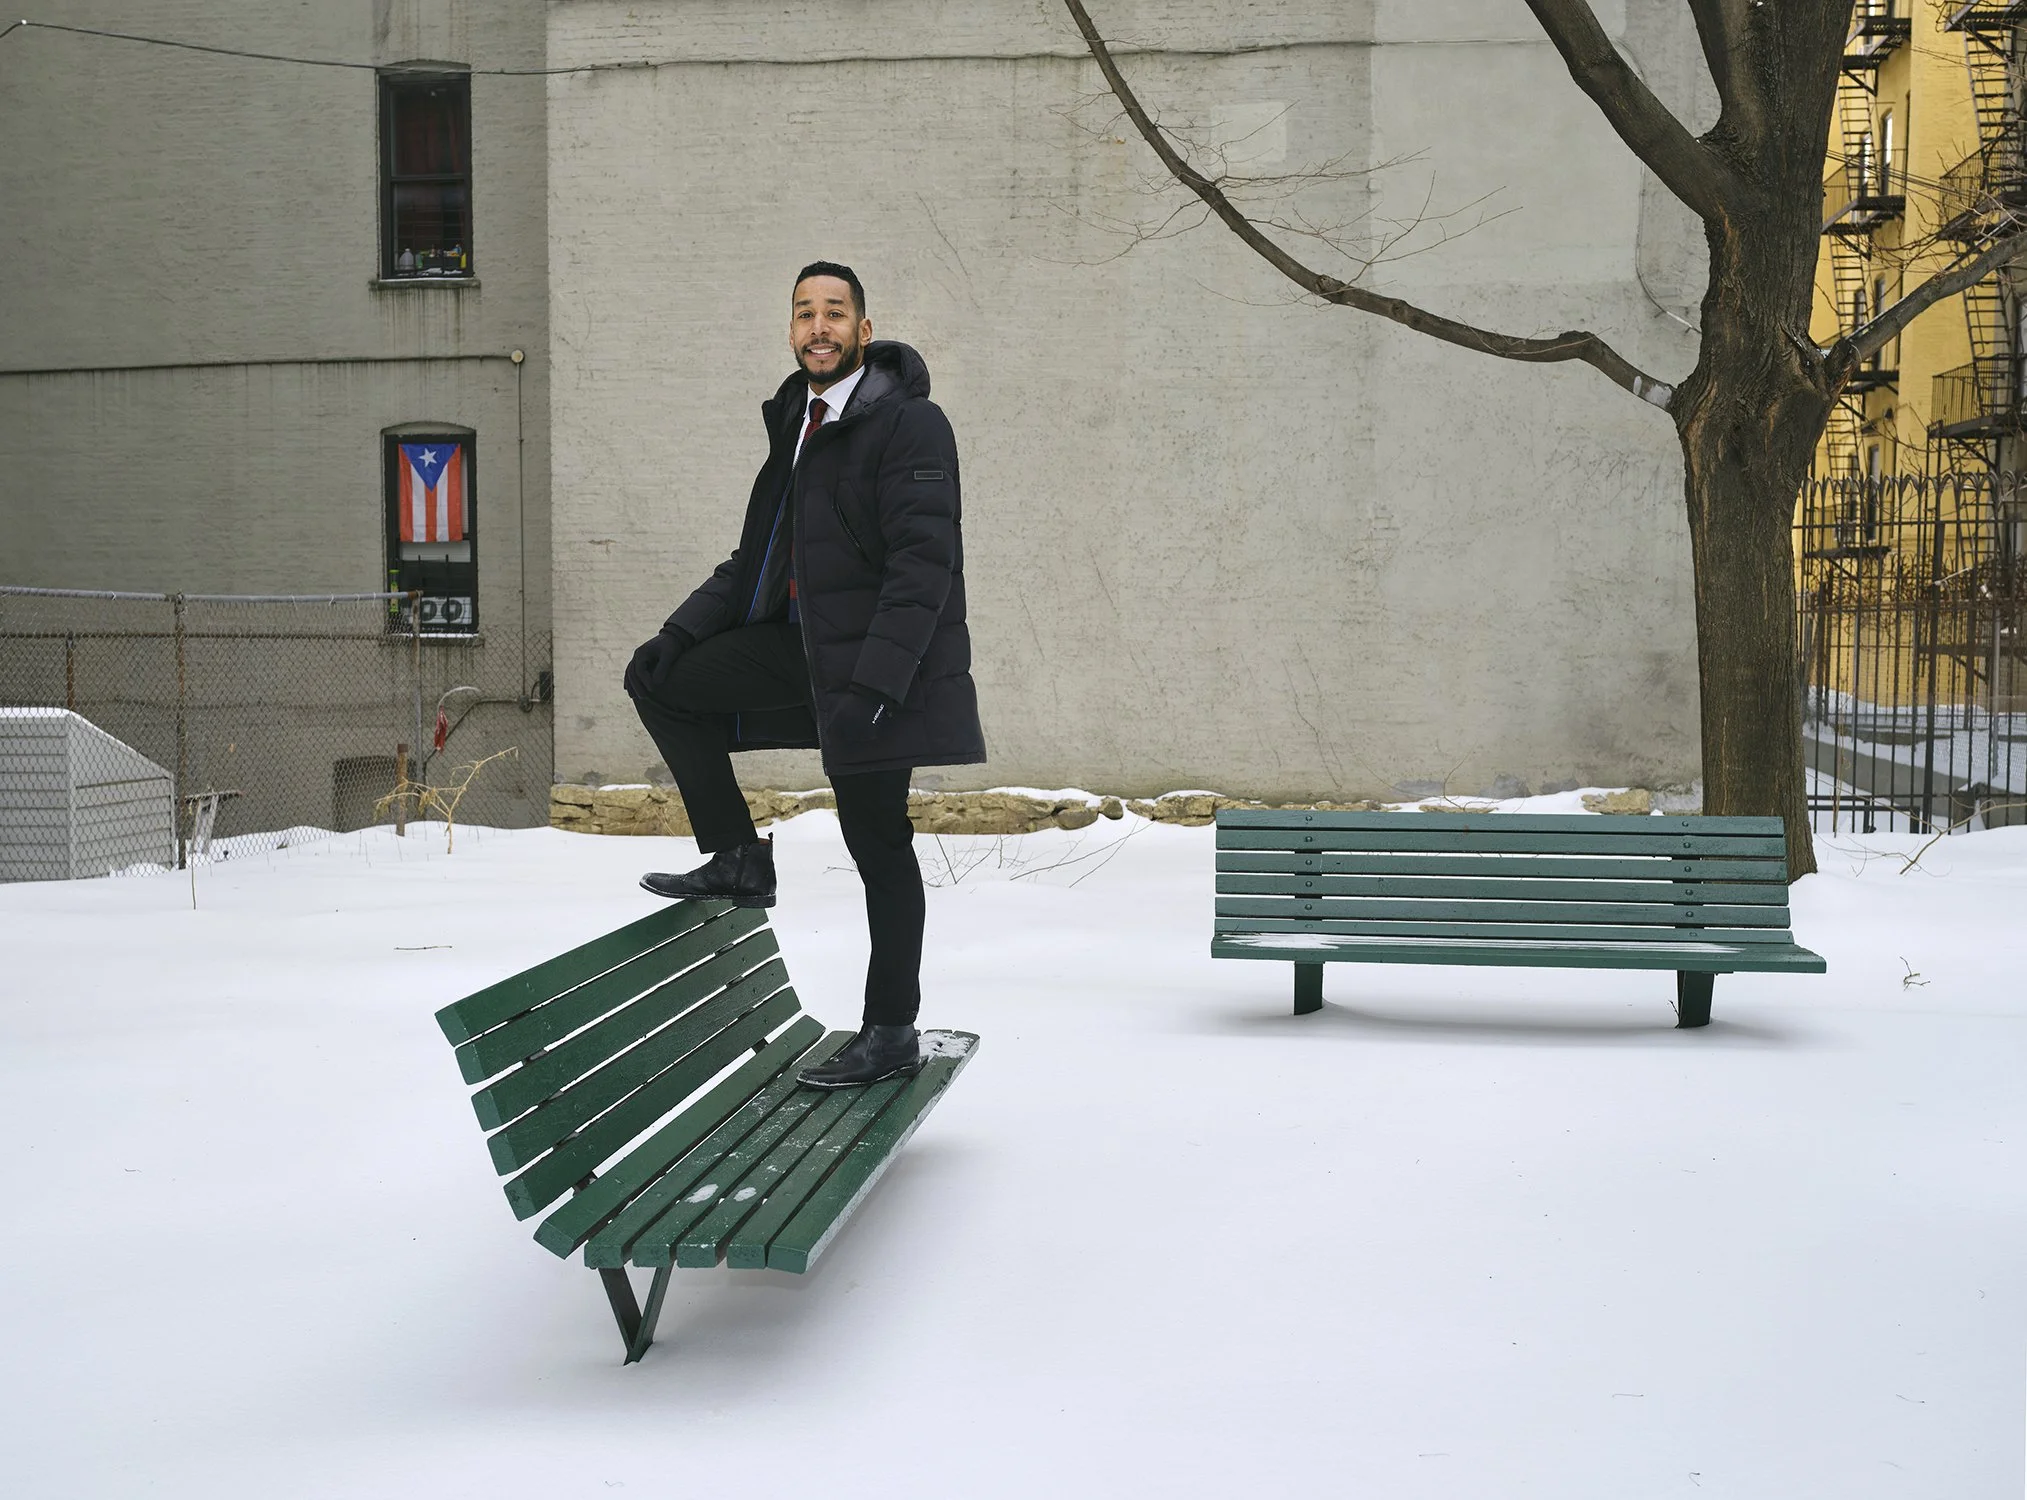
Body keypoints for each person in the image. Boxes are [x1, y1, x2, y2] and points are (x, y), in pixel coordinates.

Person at [623, 262, 985, 1089]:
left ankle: (890, 1031)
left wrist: (878, 687)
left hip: (872, 671)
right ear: (791, 331)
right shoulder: (797, 421)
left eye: (835, 312)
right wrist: (678, 633)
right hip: (802, 652)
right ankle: (738, 857)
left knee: (878, 846)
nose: (818, 326)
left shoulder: (909, 423)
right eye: (804, 313)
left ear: (864, 330)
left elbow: (923, 568)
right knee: (661, 683)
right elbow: (758, 556)